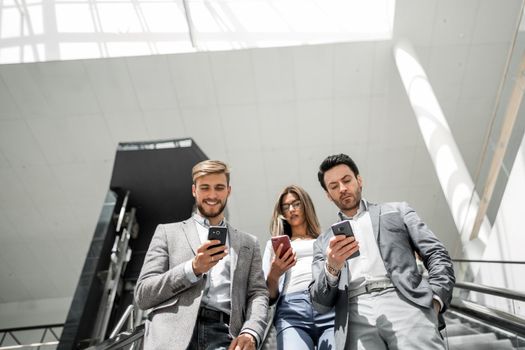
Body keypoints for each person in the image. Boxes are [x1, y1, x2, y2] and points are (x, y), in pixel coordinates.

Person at [309, 154, 455, 350]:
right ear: (328, 194)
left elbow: (437, 253)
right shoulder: (323, 242)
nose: (342, 189)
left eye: (346, 180)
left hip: (404, 301)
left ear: (359, 180)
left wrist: (436, 299)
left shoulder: (398, 210)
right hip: (354, 313)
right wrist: (332, 268)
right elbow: (319, 302)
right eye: (334, 186)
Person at [135, 160, 269, 350]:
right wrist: (192, 269)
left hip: (225, 337)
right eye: (205, 188)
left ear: (228, 191)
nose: (212, 195)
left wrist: (251, 331)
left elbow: (258, 293)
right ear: (194, 190)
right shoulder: (167, 233)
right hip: (171, 337)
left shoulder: (249, 243)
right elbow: (143, 295)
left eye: (219, 188)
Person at [262, 185, 335, 350]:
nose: (291, 210)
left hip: (327, 306)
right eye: (285, 207)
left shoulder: (325, 239)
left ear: (306, 205)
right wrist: (274, 274)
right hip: (291, 310)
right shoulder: (274, 246)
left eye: (296, 204)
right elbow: (268, 295)